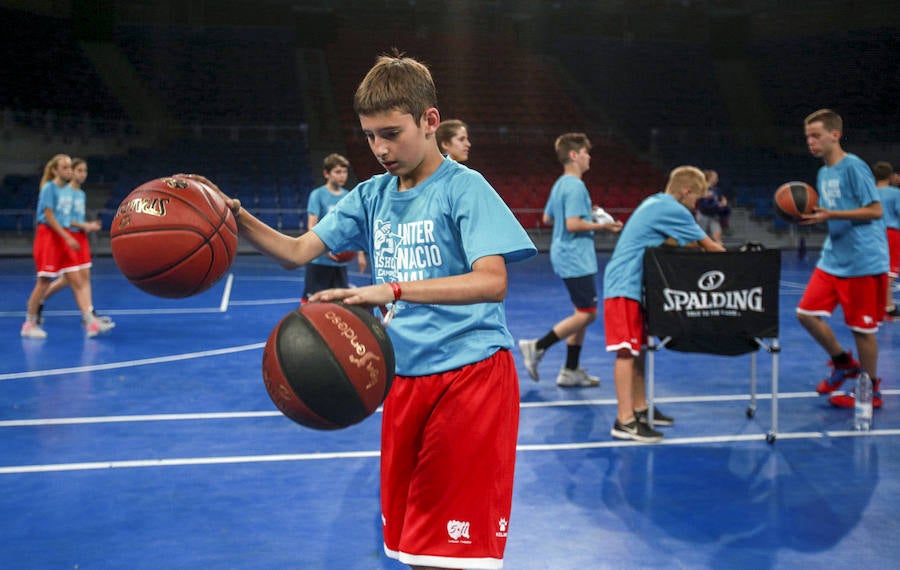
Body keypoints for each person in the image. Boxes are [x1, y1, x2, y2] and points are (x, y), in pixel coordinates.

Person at [185, 52, 536, 570]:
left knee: (457, 559)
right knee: (413, 551)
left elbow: (492, 281)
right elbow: (296, 252)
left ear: (430, 120)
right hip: (401, 380)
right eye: (371, 136)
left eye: (392, 133)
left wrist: (392, 289)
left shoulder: (465, 187)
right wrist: (232, 214)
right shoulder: (371, 195)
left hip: (471, 377)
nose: (380, 149)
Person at [603, 166, 726, 442]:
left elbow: (681, 243)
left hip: (635, 287)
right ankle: (624, 421)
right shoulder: (673, 209)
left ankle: (641, 408)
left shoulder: (656, 203)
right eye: (696, 199)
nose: (696, 205)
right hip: (624, 285)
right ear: (686, 192)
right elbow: (709, 246)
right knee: (626, 352)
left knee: (639, 351)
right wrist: (743, 262)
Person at [796, 109, 888, 409]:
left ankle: (870, 390)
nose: (811, 141)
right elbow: (833, 211)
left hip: (862, 260)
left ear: (835, 135)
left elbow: (875, 210)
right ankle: (843, 363)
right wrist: (815, 216)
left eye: (816, 135)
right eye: (808, 136)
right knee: (805, 313)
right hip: (833, 257)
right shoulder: (823, 173)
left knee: (862, 330)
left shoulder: (854, 167)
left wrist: (832, 213)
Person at [518, 133, 622, 387]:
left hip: (565, 254)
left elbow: (548, 218)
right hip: (576, 257)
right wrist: (603, 227)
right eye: (586, 153)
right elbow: (572, 224)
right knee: (588, 314)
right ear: (574, 155)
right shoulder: (575, 186)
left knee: (581, 311)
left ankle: (571, 370)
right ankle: (537, 346)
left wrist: (585, 213)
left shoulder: (561, 184)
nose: (589, 158)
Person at [21, 154, 114, 339]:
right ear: (55, 170)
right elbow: (49, 217)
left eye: (70, 167)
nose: (69, 171)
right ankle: (29, 323)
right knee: (44, 282)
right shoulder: (49, 188)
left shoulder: (68, 192)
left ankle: (90, 322)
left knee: (77, 281)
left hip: (63, 236)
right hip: (49, 236)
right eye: (65, 167)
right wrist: (68, 237)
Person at [303, 153, 367, 302]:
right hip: (319, 261)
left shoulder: (349, 196)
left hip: (340, 261)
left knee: (339, 303)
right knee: (312, 302)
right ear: (326, 173)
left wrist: (360, 254)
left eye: (344, 172)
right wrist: (324, 248)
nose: (342, 176)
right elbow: (312, 225)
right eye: (337, 172)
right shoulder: (317, 195)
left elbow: (354, 227)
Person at [872, 161, 900, 321]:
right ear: (890, 176)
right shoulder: (895, 193)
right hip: (891, 233)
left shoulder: (870, 192)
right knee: (890, 272)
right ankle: (887, 307)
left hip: (872, 232)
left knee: (876, 270)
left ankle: (881, 306)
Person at [695, 169, 729, 245]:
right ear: (709, 178)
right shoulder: (701, 188)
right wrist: (704, 196)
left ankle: (719, 248)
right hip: (703, 214)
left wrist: (722, 204)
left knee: (717, 236)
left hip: (714, 215)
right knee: (701, 236)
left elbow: (721, 201)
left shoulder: (717, 190)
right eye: (715, 177)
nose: (717, 179)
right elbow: (698, 201)